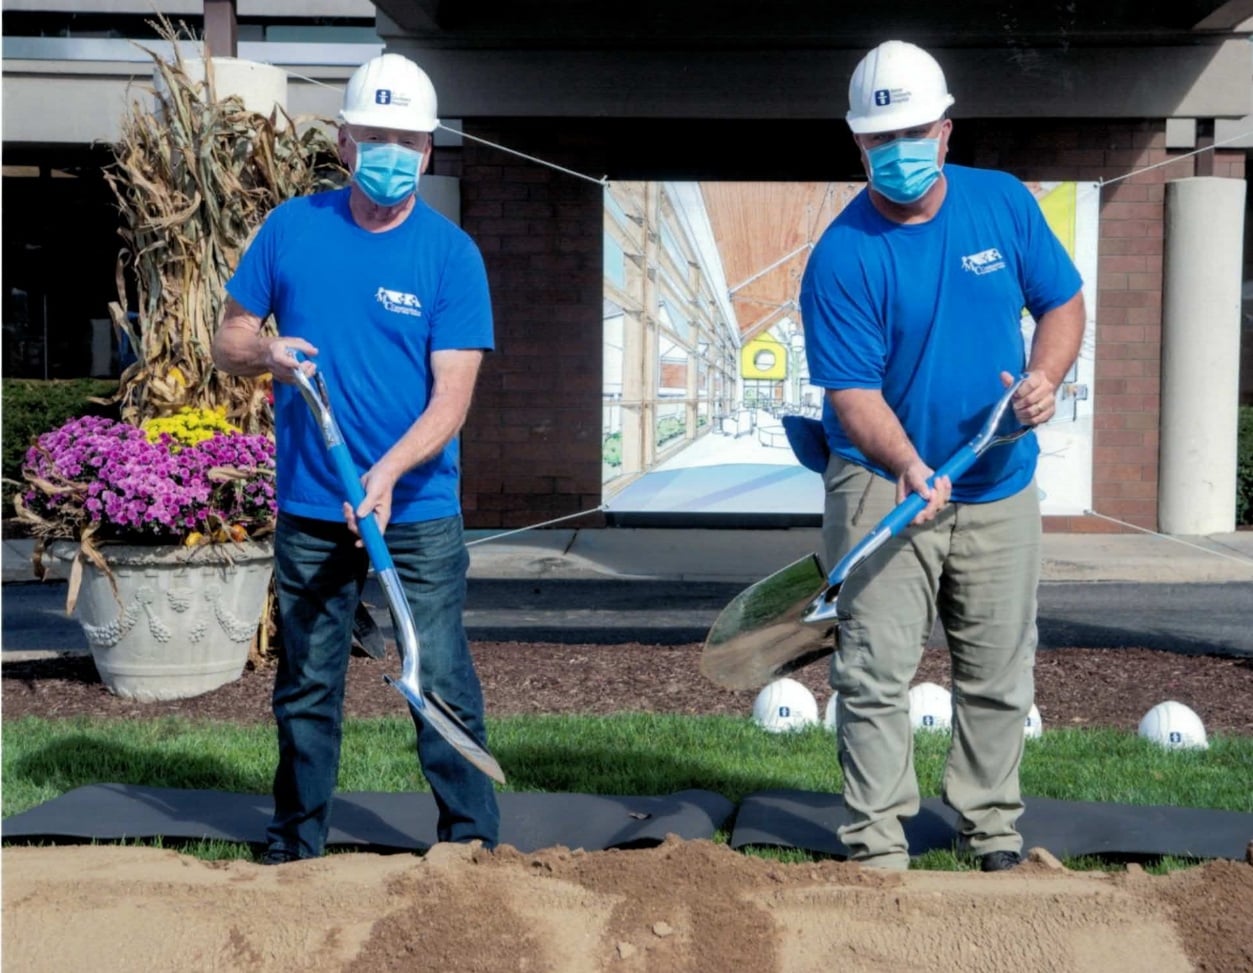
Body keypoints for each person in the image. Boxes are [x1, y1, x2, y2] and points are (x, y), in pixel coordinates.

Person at [799, 40, 1085, 872]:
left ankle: (989, 829)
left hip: (998, 483)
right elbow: (853, 396)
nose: (897, 152)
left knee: (998, 670)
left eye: (913, 132)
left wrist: (1044, 375)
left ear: (946, 130)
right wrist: (907, 464)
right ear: (857, 145)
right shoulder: (842, 255)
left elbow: (1061, 302)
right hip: (880, 483)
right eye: (878, 140)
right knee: (875, 675)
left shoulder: (1000, 204)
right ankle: (877, 843)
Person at [212, 53, 499, 863]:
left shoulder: (450, 256)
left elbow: (451, 399)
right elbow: (227, 339)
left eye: (406, 140)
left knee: (437, 672)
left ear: (428, 151)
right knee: (306, 683)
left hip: (415, 511)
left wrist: (386, 474)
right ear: (343, 139)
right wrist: (266, 350)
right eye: (375, 136)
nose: (390, 153)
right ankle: (295, 844)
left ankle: (469, 842)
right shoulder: (291, 229)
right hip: (310, 504)